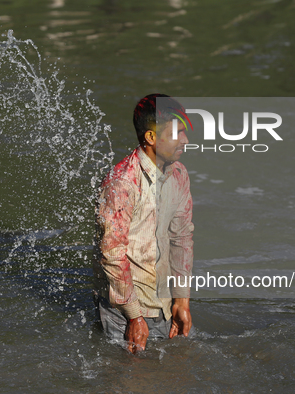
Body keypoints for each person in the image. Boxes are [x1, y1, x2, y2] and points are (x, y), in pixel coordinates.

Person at [93, 93, 194, 354]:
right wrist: (135, 316)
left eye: (184, 132)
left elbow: (181, 238)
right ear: (150, 138)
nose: (185, 140)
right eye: (177, 133)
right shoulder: (121, 183)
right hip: (125, 310)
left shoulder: (179, 175)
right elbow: (112, 254)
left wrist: (182, 300)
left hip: (164, 300)